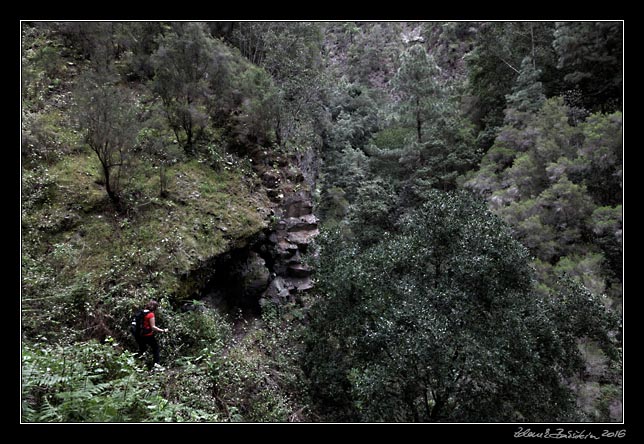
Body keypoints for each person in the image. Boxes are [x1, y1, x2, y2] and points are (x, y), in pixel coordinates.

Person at [136, 300, 169, 370]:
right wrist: (163, 330)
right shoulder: (151, 314)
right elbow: (153, 327)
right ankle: (156, 364)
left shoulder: (141, 312)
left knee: (142, 350)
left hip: (139, 335)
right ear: (155, 307)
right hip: (148, 335)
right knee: (155, 348)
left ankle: (141, 366)